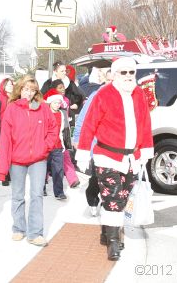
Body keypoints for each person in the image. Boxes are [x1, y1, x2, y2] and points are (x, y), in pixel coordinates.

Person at [75, 57, 154, 261]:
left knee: (123, 198)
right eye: (123, 72)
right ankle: (114, 242)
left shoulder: (139, 95)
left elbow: (145, 124)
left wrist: (146, 149)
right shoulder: (104, 94)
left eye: (131, 72)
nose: (128, 76)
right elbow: (89, 124)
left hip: (131, 158)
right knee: (113, 200)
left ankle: (106, 230)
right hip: (107, 156)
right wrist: (83, 151)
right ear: (115, 74)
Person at [0, 75, 57, 246]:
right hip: (17, 160)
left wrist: (45, 146)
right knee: (17, 195)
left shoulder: (43, 108)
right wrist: (2, 168)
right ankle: (18, 228)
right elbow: (6, 139)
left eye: (32, 90)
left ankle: (35, 233)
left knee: (37, 194)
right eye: (25, 89)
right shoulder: (12, 109)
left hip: (38, 158)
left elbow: (53, 129)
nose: (28, 93)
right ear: (20, 89)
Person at [73, 68, 111, 217]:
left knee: (111, 178)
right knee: (97, 177)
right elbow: (84, 117)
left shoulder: (124, 96)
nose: (111, 83)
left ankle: (108, 204)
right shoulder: (97, 95)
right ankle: (93, 200)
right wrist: (78, 138)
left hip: (116, 147)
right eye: (108, 80)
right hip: (98, 145)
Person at [44, 88, 72, 200]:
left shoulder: (62, 113)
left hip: (58, 146)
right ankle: (41, 189)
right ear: (50, 102)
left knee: (58, 169)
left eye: (59, 102)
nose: (57, 105)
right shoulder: (45, 113)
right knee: (43, 169)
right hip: (45, 146)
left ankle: (59, 192)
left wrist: (67, 144)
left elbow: (66, 129)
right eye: (55, 102)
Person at [41, 61, 85, 127]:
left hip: (68, 115)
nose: (64, 73)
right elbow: (41, 96)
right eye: (62, 71)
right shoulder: (48, 83)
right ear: (55, 72)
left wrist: (76, 104)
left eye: (65, 71)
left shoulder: (69, 83)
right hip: (52, 115)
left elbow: (79, 95)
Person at [0, 77, 15, 187]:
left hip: (15, 128)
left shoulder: (16, 98)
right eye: (8, 85)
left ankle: (11, 173)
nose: (10, 86)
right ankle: (4, 175)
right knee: (3, 153)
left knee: (13, 152)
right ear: (3, 86)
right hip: (3, 128)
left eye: (11, 84)